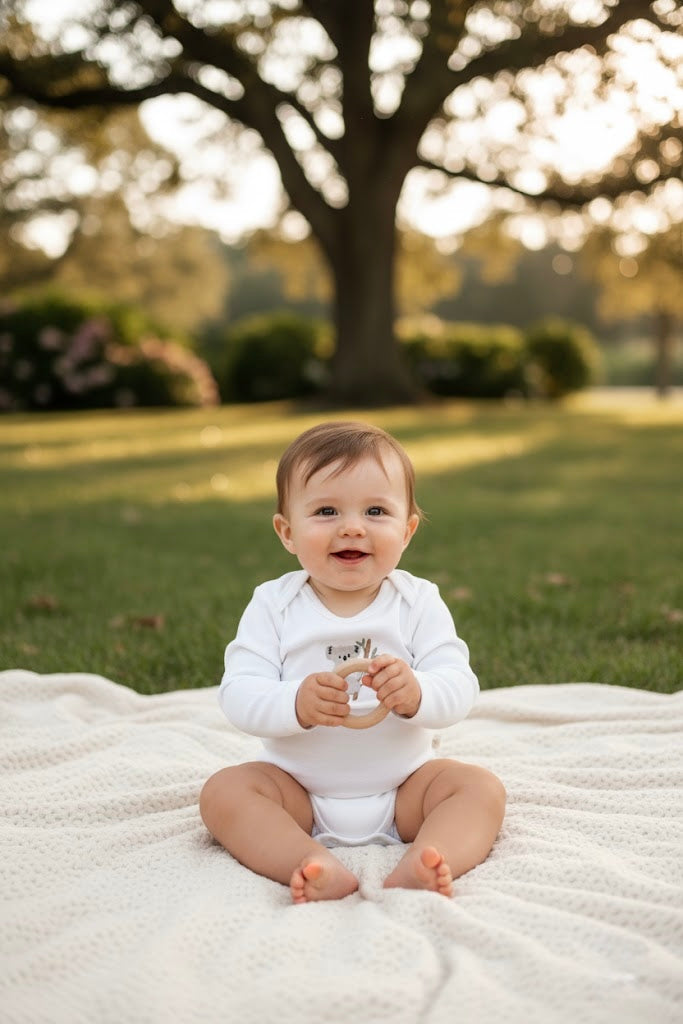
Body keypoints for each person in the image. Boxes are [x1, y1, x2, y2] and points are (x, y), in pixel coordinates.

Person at [200, 421, 505, 903]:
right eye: (325, 510)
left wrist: (417, 693)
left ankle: (429, 857)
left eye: (376, 511)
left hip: (405, 789)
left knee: (480, 788)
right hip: (296, 792)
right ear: (287, 532)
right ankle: (306, 861)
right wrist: (294, 702)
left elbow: (459, 683)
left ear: (406, 531)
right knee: (224, 792)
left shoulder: (417, 602)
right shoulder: (273, 605)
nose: (352, 526)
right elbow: (238, 693)